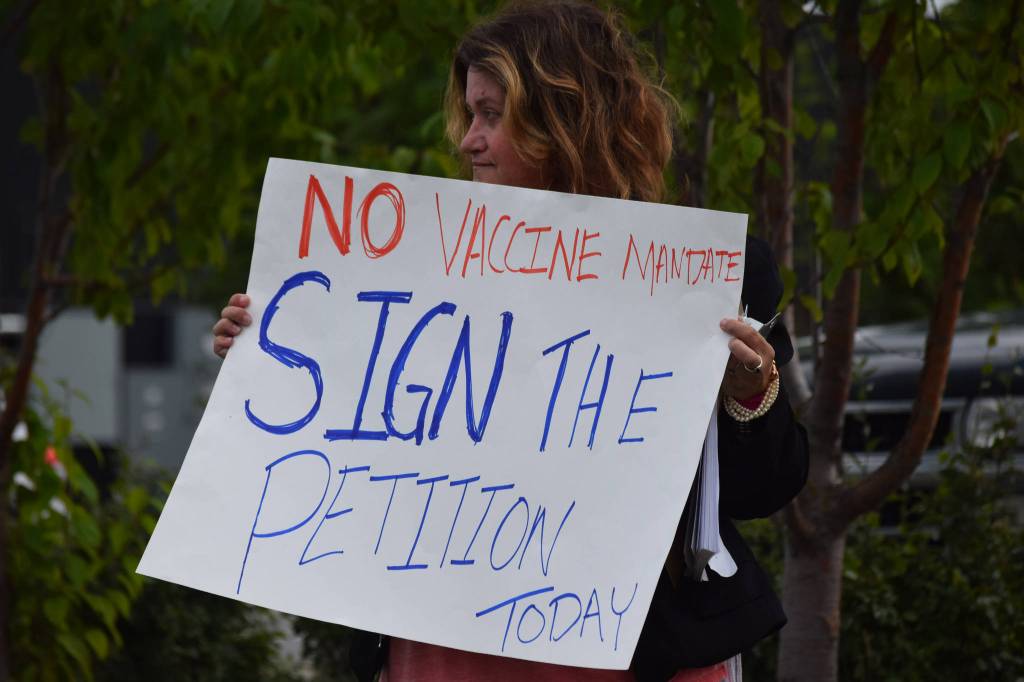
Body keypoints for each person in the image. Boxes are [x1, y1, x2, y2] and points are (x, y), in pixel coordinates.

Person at [213, 2, 808, 681]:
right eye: (471, 114)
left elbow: (767, 488)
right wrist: (265, 358)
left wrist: (750, 394)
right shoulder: (410, 268)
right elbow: (352, 433)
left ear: (567, 121)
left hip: (631, 651)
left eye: (492, 115)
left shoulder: (700, 277)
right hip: (443, 650)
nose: (469, 139)